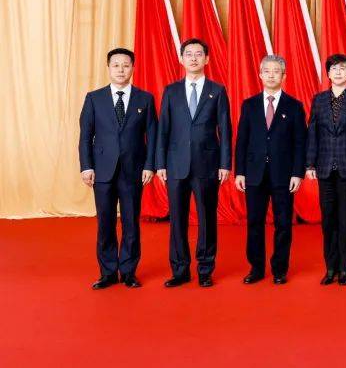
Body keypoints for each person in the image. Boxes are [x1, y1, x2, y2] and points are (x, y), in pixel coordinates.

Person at [78, 48, 157, 289]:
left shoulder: (145, 99)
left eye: (126, 65)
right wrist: (86, 166)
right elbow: (85, 136)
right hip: (102, 170)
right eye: (116, 65)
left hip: (134, 170)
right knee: (105, 222)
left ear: (133, 68)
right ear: (108, 67)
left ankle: (129, 272)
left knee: (131, 223)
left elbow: (152, 136)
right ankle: (108, 272)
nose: (121, 70)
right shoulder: (94, 98)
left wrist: (150, 166)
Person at [155, 38, 231, 288]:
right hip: (175, 164)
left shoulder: (217, 90)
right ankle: (180, 270)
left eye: (199, 54)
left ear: (207, 59)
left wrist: (225, 164)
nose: (194, 58)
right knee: (177, 219)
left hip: (207, 164)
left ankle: (205, 269)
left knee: (207, 218)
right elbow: (163, 129)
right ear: (181, 59)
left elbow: (225, 129)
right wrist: (160, 163)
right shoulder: (171, 91)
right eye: (189, 54)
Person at [234, 55, 306, 285]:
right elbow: (242, 140)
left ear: (284, 76)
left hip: (283, 174)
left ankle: (279, 269)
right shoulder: (249, 105)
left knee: (283, 223)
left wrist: (297, 173)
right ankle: (256, 268)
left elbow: (300, 143)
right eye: (267, 71)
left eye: (276, 71)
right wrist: (240, 172)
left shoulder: (294, 106)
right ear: (260, 75)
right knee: (254, 222)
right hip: (254, 173)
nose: (271, 75)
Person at [305, 54, 346, 286]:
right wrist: (309, 164)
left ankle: (345, 268)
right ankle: (330, 267)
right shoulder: (319, 100)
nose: (338, 72)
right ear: (328, 73)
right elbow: (312, 133)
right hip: (324, 168)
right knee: (328, 220)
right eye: (334, 68)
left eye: (343, 68)